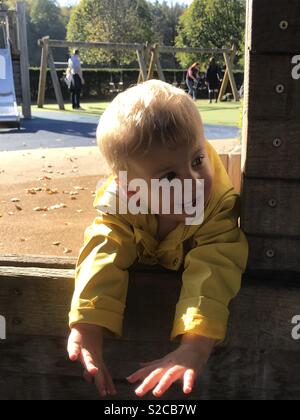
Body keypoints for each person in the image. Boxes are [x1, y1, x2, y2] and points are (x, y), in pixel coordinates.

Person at [67, 80, 249, 398]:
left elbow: (215, 265)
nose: (193, 181)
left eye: (197, 159)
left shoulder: (215, 205)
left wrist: (195, 345)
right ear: (132, 190)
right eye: (169, 177)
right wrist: (88, 322)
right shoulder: (122, 203)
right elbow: (104, 247)